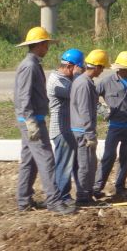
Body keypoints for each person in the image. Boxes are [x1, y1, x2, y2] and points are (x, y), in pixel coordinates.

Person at [14, 26, 76, 214]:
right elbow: (24, 96)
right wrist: (30, 121)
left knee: (29, 160)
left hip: (31, 118)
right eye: (46, 44)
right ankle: (54, 202)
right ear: (39, 45)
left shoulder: (33, 63)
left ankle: (23, 201)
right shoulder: (30, 66)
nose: (48, 48)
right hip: (31, 119)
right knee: (47, 159)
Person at [93, 51, 127, 198]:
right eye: (125, 68)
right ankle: (97, 187)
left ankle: (120, 186)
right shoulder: (106, 82)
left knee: (126, 157)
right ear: (118, 68)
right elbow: (93, 97)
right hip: (115, 126)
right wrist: (101, 109)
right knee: (108, 156)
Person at [70, 48, 110, 206]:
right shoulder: (84, 84)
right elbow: (85, 111)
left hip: (80, 129)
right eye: (102, 67)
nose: (103, 71)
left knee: (89, 163)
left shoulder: (83, 81)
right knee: (86, 164)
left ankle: (87, 193)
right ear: (97, 67)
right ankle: (83, 197)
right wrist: (90, 134)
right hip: (83, 132)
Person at [46, 48, 85, 203]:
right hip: (61, 129)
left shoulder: (64, 78)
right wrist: (77, 76)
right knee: (64, 164)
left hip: (69, 128)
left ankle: (74, 193)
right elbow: (75, 93)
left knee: (72, 163)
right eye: (78, 69)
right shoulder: (57, 81)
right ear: (70, 66)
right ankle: (62, 196)